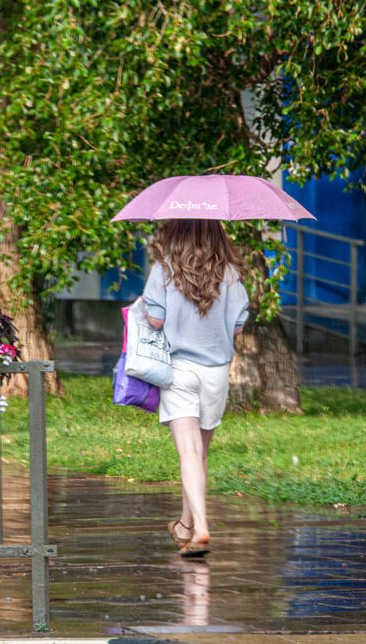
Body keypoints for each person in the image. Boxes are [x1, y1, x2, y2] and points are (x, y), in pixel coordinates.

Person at [142, 219, 249, 558]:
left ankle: (201, 526)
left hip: (178, 369)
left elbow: (155, 321)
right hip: (216, 373)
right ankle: (186, 526)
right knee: (199, 454)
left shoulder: (164, 270)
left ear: (177, 233)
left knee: (188, 453)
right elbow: (237, 328)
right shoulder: (230, 274)